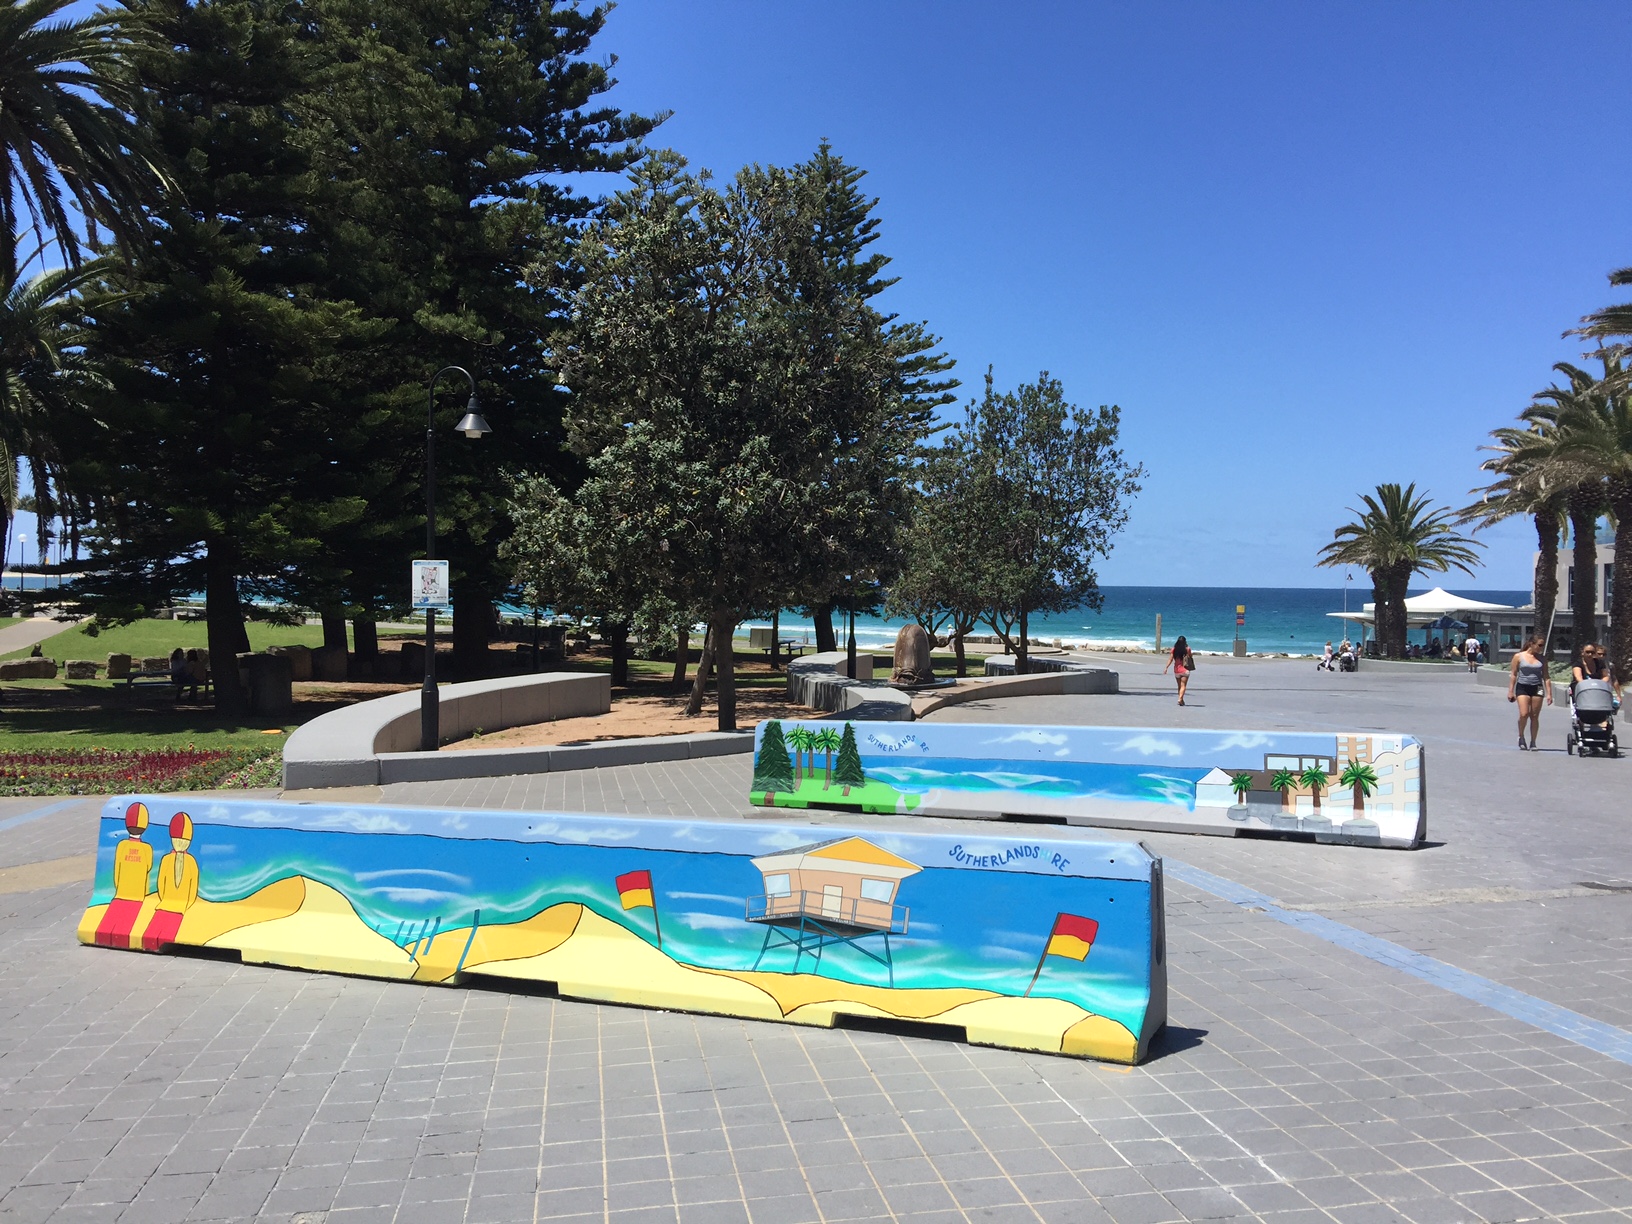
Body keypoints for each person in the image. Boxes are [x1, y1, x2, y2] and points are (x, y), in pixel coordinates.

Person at [1507, 634, 1553, 750]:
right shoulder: (1519, 656)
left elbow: (1546, 677)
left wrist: (1549, 694)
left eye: (1542, 645)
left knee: (1534, 716)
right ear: (1532, 644)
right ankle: (1521, 736)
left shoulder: (1542, 659)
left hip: (1537, 687)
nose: (1541, 648)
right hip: (1523, 686)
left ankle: (1533, 742)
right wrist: (1510, 691)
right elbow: (1513, 674)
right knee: (1524, 713)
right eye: (1539, 645)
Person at [1162, 635, 1194, 706]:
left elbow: (1170, 659)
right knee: (1183, 685)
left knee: (1179, 686)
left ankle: (1181, 700)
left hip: (1177, 670)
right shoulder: (1187, 649)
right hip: (1185, 670)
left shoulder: (1174, 649)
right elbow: (1190, 656)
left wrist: (1166, 667)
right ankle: (1180, 699)